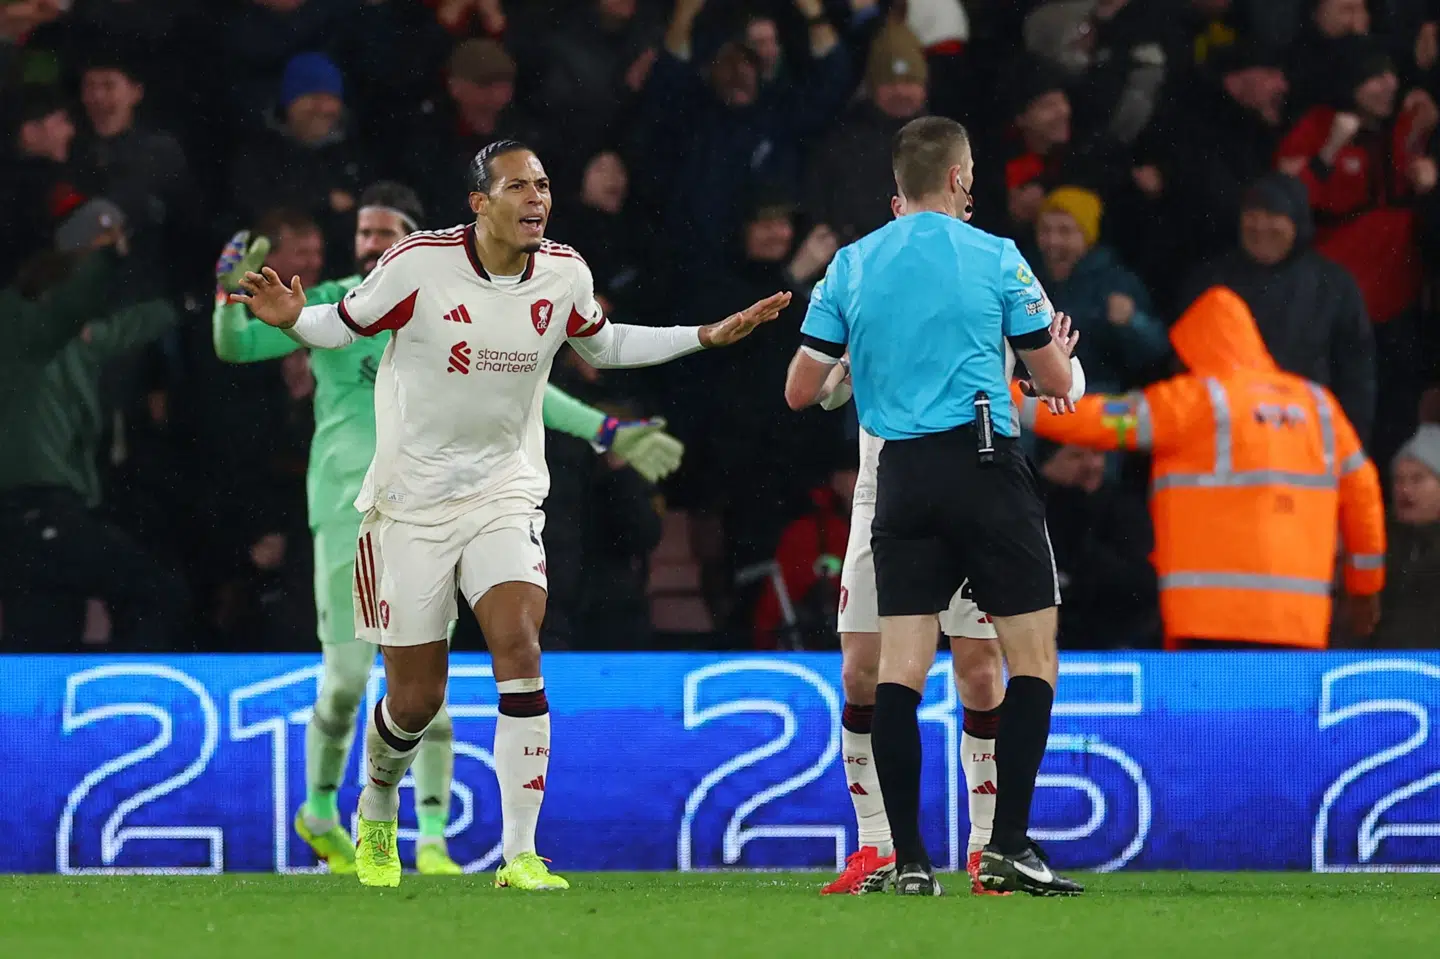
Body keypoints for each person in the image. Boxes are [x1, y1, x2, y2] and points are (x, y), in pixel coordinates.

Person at [230, 139, 790, 890]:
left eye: (545, 185)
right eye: (518, 186)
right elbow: (343, 325)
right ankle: (376, 803)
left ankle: (519, 853)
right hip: (409, 504)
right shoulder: (419, 264)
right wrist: (295, 318)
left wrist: (705, 335)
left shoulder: (564, 272)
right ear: (479, 201)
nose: (537, 199)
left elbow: (606, 342)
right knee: (416, 698)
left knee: (518, 645)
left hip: (505, 494)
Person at [783, 116, 1085, 897]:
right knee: (1014, 660)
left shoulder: (851, 264)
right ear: (958, 179)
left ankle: (934, 854)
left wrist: (850, 370)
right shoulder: (994, 256)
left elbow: (798, 390)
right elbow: (1054, 378)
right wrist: (1063, 370)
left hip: (901, 478)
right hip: (973, 466)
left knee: (916, 672)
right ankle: (968, 845)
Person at [1015, 286, 1386, 651]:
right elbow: (1364, 497)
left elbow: (1094, 420)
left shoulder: (1196, 401)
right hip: (1298, 622)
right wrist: (1364, 589)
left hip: (1208, 622)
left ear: (1195, 345)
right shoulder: (1319, 408)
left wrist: (1008, 394)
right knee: (1278, 714)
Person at [800, 350, 1009, 897]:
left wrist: (1050, 372)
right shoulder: (857, 284)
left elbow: (1062, 370)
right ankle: (877, 844)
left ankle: (987, 848)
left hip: (975, 495)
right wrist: (844, 360)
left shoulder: (990, 271)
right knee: (860, 673)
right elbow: (818, 393)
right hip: (883, 497)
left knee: (982, 675)